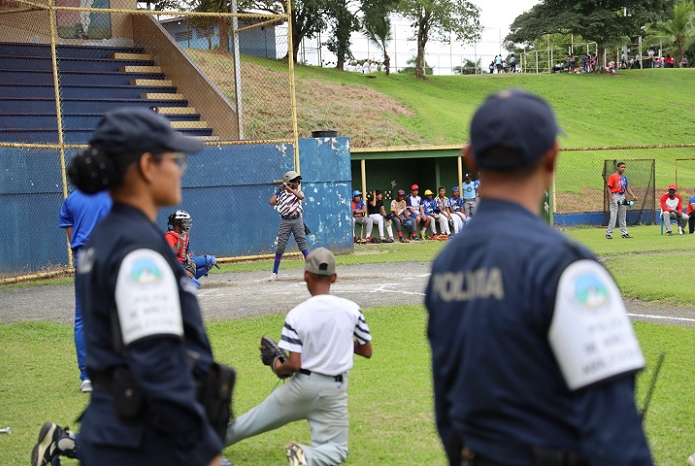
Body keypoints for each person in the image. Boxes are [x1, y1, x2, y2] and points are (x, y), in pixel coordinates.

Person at [425, 89, 652, 466]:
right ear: (552, 156)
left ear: (471, 158)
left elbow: (446, 409)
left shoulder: (447, 263)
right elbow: (616, 428)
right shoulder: (567, 266)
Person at [33, 108, 230, 466]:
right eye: (175, 158)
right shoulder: (138, 250)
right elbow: (158, 363)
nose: (180, 168)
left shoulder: (104, 240)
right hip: (143, 440)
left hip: (117, 429)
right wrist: (206, 453)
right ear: (146, 166)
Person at [224, 247, 373, 466]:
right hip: (334, 391)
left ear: (305, 275)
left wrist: (276, 364)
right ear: (334, 277)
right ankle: (303, 455)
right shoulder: (352, 309)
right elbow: (366, 351)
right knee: (336, 451)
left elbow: (293, 365)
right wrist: (339, 339)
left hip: (301, 388)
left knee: (248, 423)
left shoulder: (297, 314)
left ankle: (199, 445)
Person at [59, 189, 112, 393]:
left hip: (84, 257)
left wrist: (78, 252)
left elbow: (70, 233)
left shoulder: (71, 199)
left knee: (82, 318)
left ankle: (87, 378)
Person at [270, 171, 310, 280]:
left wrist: (290, 189)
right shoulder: (282, 195)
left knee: (303, 245)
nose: (298, 183)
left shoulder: (297, 192)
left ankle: (313, 272)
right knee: (280, 247)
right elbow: (272, 202)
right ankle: (274, 273)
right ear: (290, 182)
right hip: (285, 221)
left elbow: (301, 197)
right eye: (296, 181)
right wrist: (280, 190)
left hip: (297, 220)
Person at [165, 210, 219, 287]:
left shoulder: (185, 235)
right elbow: (168, 259)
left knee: (211, 261)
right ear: (177, 224)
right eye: (184, 222)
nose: (186, 224)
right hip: (175, 267)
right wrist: (183, 271)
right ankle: (179, 281)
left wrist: (190, 262)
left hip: (184, 263)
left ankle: (189, 279)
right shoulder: (170, 237)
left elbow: (186, 252)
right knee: (195, 285)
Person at [605, 161, 638, 239]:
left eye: (624, 167)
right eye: (622, 167)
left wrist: (633, 195)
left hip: (622, 196)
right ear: (617, 168)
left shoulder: (624, 178)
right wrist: (611, 198)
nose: (623, 169)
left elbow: (627, 188)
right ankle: (609, 233)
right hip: (615, 196)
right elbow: (609, 187)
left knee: (623, 216)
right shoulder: (613, 176)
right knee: (613, 216)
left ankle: (624, 233)